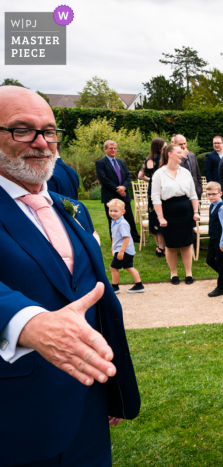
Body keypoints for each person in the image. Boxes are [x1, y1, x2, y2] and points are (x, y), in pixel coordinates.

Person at [0, 85, 140, 466]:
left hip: (87, 408)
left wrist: (110, 388)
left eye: (48, 131)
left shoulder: (72, 209)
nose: (42, 142)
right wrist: (26, 322)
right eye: (22, 129)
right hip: (16, 417)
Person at [151, 143, 200, 285]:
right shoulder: (159, 174)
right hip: (168, 212)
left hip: (186, 211)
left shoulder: (185, 172)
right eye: (179, 152)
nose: (182, 154)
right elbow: (155, 197)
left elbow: (193, 194)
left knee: (186, 243)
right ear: (169, 154)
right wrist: (160, 217)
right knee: (171, 245)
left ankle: (189, 273)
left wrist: (195, 212)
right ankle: (173, 273)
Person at [95, 140, 141, 243]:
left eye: (115, 148)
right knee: (113, 218)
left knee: (129, 217)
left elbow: (128, 176)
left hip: (124, 194)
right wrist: (118, 189)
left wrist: (124, 188)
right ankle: (115, 239)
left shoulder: (121, 162)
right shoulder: (100, 163)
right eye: (111, 148)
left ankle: (135, 238)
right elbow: (103, 179)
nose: (113, 150)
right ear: (105, 149)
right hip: (110, 195)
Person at [108, 198, 145, 294]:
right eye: (111, 210)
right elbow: (114, 236)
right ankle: (139, 285)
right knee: (129, 267)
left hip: (124, 250)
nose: (113, 213)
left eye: (115, 211)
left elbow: (126, 238)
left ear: (123, 212)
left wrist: (121, 251)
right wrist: (113, 247)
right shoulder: (114, 221)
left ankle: (115, 287)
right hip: (123, 249)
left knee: (113, 268)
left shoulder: (122, 224)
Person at [138, 137, 167, 257]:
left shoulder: (148, 159)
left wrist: (150, 180)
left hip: (151, 189)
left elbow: (140, 175)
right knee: (160, 214)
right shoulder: (162, 158)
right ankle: (162, 247)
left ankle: (158, 246)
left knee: (153, 215)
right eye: (165, 145)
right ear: (160, 146)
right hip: (161, 188)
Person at [203, 182, 223, 297]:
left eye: (214, 194)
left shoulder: (222, 208)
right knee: (209, 260)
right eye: (208, 194)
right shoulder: (212, 205)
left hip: (220, 239)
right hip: (213, 237)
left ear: (220, 193)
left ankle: (221, 287)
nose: (211, 197)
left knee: (219, 262)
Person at [173, 134, 203, 199]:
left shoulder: (192, 155)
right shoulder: (172, 157)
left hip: (195, 191)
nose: (183, 146)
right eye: (180, 144)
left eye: (185, 143)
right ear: (174, 144)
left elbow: (197, 174)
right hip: (182, 192)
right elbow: (176, 170)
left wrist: (199, 189)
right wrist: (183, 157)